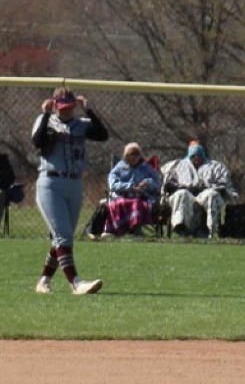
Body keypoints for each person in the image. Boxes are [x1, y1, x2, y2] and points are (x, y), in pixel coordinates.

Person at [30, 87, 109, 294]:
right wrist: (45, 114)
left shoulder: (81, 124)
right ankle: (76, 283)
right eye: (62, 107)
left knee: (62, 238)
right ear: (55, 105)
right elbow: (37, 142)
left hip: (74, 183)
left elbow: (102, 135)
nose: (66, 110)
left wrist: (89, 110)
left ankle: (44, 281)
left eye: (69, 107)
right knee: (63, 237)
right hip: (50, 182)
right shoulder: (45, 120)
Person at [161, 139, 236, 238]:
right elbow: (168, 184)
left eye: (199, 155)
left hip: (206, 193)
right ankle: (181, 228)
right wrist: (184, 187)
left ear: (203, 155)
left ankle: (211, 229)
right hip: (185, 193)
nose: (196, 158)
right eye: (193, 156)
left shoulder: (216, 167)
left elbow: (224, 184)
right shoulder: (177, 166)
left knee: (211, 195)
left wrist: (206, 187)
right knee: (181, 194)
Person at [102, 142, 162, 237]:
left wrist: (148, 182)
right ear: (126, 156)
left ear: (140, 155)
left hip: (142, 198)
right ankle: (115, 230)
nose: (134, 157)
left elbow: (157, 184)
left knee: (137, 204)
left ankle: (136, 230)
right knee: (119, 204)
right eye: (131, 154)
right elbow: (113, 185)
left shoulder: (146, 168)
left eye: (137, 154)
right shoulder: (119, 168)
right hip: (122, 196)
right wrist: (130, 187)